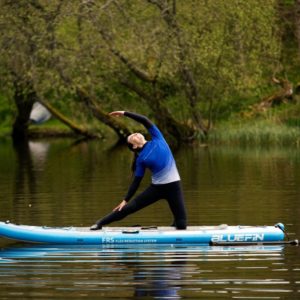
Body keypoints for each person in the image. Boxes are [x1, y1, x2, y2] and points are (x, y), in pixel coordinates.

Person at [90, 111, 187, 230]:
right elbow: (136, 181)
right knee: (128, 208)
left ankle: (175, 223)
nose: (135, 134)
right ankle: (100, 223)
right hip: (157, 188)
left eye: (135, 133)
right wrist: (125, 200)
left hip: (174, 186)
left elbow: (144, 119)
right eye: (132, 137)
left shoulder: (157, 137)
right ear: (135, 146)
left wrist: (124, 113)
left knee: (182, 225)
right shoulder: (141, 159)